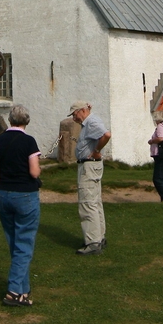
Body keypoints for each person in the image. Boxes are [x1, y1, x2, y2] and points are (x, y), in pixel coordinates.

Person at [0, 104, 42, 307]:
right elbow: (34, 172)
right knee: (24, 244)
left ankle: (23, 290)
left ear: (10, 120)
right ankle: (13, 291)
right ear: (26, 121)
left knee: (15, 242)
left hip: (4, 193)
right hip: (25, 194)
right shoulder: (29, 141)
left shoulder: (0, 140)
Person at [70, 100, 111, 255]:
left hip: (89, 165)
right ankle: (99, 237)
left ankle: (93, 242)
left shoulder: (91, 121)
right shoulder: (90, 121)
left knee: (87, 203)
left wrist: (96, 150)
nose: (74, 119)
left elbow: (106, 135)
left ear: (82, 111)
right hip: (91, 165)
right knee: (95, 201)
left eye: (75, 114)